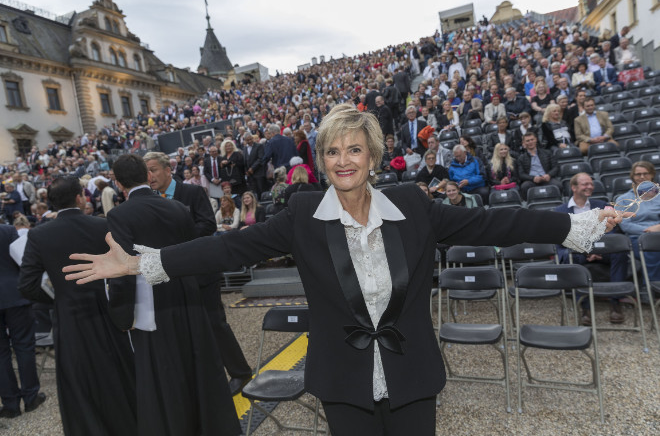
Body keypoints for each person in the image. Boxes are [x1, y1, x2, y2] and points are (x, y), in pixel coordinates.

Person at [63, 104, 624, 435]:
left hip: (413, 375)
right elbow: (231, 250)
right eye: (333, 151)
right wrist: (144, 263)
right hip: (341, 379)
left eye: (354, 150)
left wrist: (570, 225)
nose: (343, 161)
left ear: (372, 156)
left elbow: (495, 227)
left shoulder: (412, 204)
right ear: (322, 159)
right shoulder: (304, 213)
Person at [95, 154, 241, 436]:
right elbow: (192, 252)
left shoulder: (118, 215)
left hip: (151, 304)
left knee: (163, 374)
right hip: (187, 296)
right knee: (196, 366)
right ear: (145, 174)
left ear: (118, 182)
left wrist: (122, 315)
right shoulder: (175, 207)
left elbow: (122, 270)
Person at [17, 176, 135, 434]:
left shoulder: (39, 234)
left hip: (68, 315)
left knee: (78, 381)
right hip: (105, 311)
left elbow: (26, 285)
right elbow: (124, 270)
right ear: (80, 197)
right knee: (117, 374)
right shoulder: (101, 225)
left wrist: (56, 297)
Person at [143, 152, 252, 395]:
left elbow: (207, 226)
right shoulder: (150, 200)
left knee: (215, 324)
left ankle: (240, 372)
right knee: (184, 331)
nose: (149, 176)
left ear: (168, 169)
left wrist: (173, 240)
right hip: (171, 275)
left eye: (153, 170)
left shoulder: (191, 193)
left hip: (200, 273)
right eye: (146, 172)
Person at [554, 173, 628, 325]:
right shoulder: (560, 211)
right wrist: (586, 251)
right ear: (574, 187)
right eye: (585, 184)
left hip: (603, 250)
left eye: (591, 184)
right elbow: (561, 238)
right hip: (577, 252)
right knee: (570, 258)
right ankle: (584, 308)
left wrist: (599, 251)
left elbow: (612, 231)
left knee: (620, 253)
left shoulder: (602, 205)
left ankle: (615, 303)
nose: (590, 187)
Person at [0, 223, 46, 420]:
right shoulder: (7, 230)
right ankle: (30, 397)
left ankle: (10, 403)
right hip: (14, 293)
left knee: (1, 353)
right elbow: (22, 259)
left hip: (13, 295)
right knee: (24, 346)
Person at [617, 161, 660, 282]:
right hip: (637, 238)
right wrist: (647, 231)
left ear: (652, 175)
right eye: (638, 174)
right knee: (652, 249)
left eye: (645, 173)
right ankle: (653, 291)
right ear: (633, 176)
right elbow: (626, 225)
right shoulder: (623, 199)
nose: (642, 177)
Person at [516, 132, 561, 200]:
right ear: (524, 143)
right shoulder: (521, 158)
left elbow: (556, 167)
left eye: (532, 139)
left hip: (546, 178)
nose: (530, 142)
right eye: (528, 141)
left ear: (536, 140)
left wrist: (549, 175)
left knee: (558, 185)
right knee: (524, 187)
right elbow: (521, 174)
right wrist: (533, 178)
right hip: (532, 180)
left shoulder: (547, 153)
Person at [244, 133, 266, 199]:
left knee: (260, 190)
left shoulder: (259, 146)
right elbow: (245, 160)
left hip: (258, 173)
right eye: (248, 140)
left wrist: (252, 168)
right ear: (245, 140)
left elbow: (260, 158)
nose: (250, 141)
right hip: (250, 175)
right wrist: (246, 171)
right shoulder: (245, 148)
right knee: (253, 192)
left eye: (251, 139)